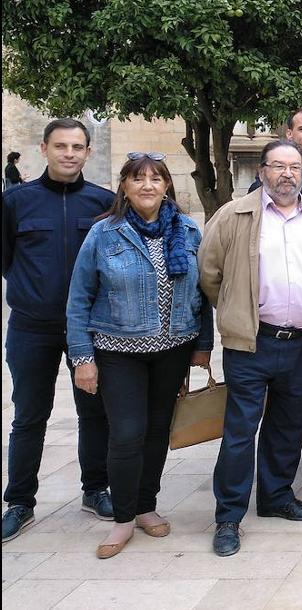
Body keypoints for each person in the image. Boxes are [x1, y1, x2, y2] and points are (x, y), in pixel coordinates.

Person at [66, 153, 214, 558]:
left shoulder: (186, 230)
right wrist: (83, 359)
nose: (147, 185)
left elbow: (202, 294)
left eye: (155, 178)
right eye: (138, 178)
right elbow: (79, 299)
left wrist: (203, 345)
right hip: (118, 350)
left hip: (172, 350)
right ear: (125, 187)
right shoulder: (104, 234)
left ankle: (147, 505)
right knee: (127, 432)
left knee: (157, 431)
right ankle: (123, 518)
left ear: (166, 185)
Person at [201, 139, 302, 557]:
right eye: (278, 166)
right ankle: (228, 516)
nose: (286, 174)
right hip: (252, 343)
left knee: (288, 427)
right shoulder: (234, 215)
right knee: (240, 431)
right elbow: (210, 273)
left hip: (299, 343)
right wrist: (238, 310)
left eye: (294, 167)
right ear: (262, 171)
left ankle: (277, 497)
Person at [2, 119, 114, 543]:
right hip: (32, 329)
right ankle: (20, 502)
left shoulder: (103, 203)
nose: (70, 154)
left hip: (89, 330)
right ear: (44, 148)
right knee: (29, 416)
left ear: (87, 152)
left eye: (78, 147)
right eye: (61, 146)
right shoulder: (15, 202)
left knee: (94, 413)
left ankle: (95, 489)